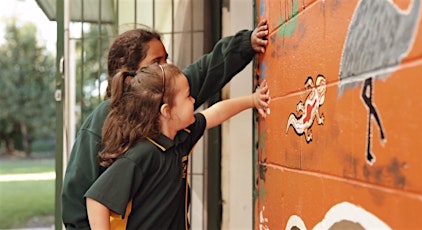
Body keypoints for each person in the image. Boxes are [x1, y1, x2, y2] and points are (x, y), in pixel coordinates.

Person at [61, 20, 269, 229]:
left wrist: (244, 44)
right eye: (157, 62)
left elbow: (205, 72)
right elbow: (81, 199)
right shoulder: (107, 123)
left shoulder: (172, 107)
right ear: (131, 77)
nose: (166, 67)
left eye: (166, 60)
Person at [85, 63, 270, 229]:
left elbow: (216, 113)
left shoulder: (182, 137)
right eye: (188, 96)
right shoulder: (142, 154)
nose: (193, 101)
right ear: (166, 111)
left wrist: (252, 100)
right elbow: (96, 200)